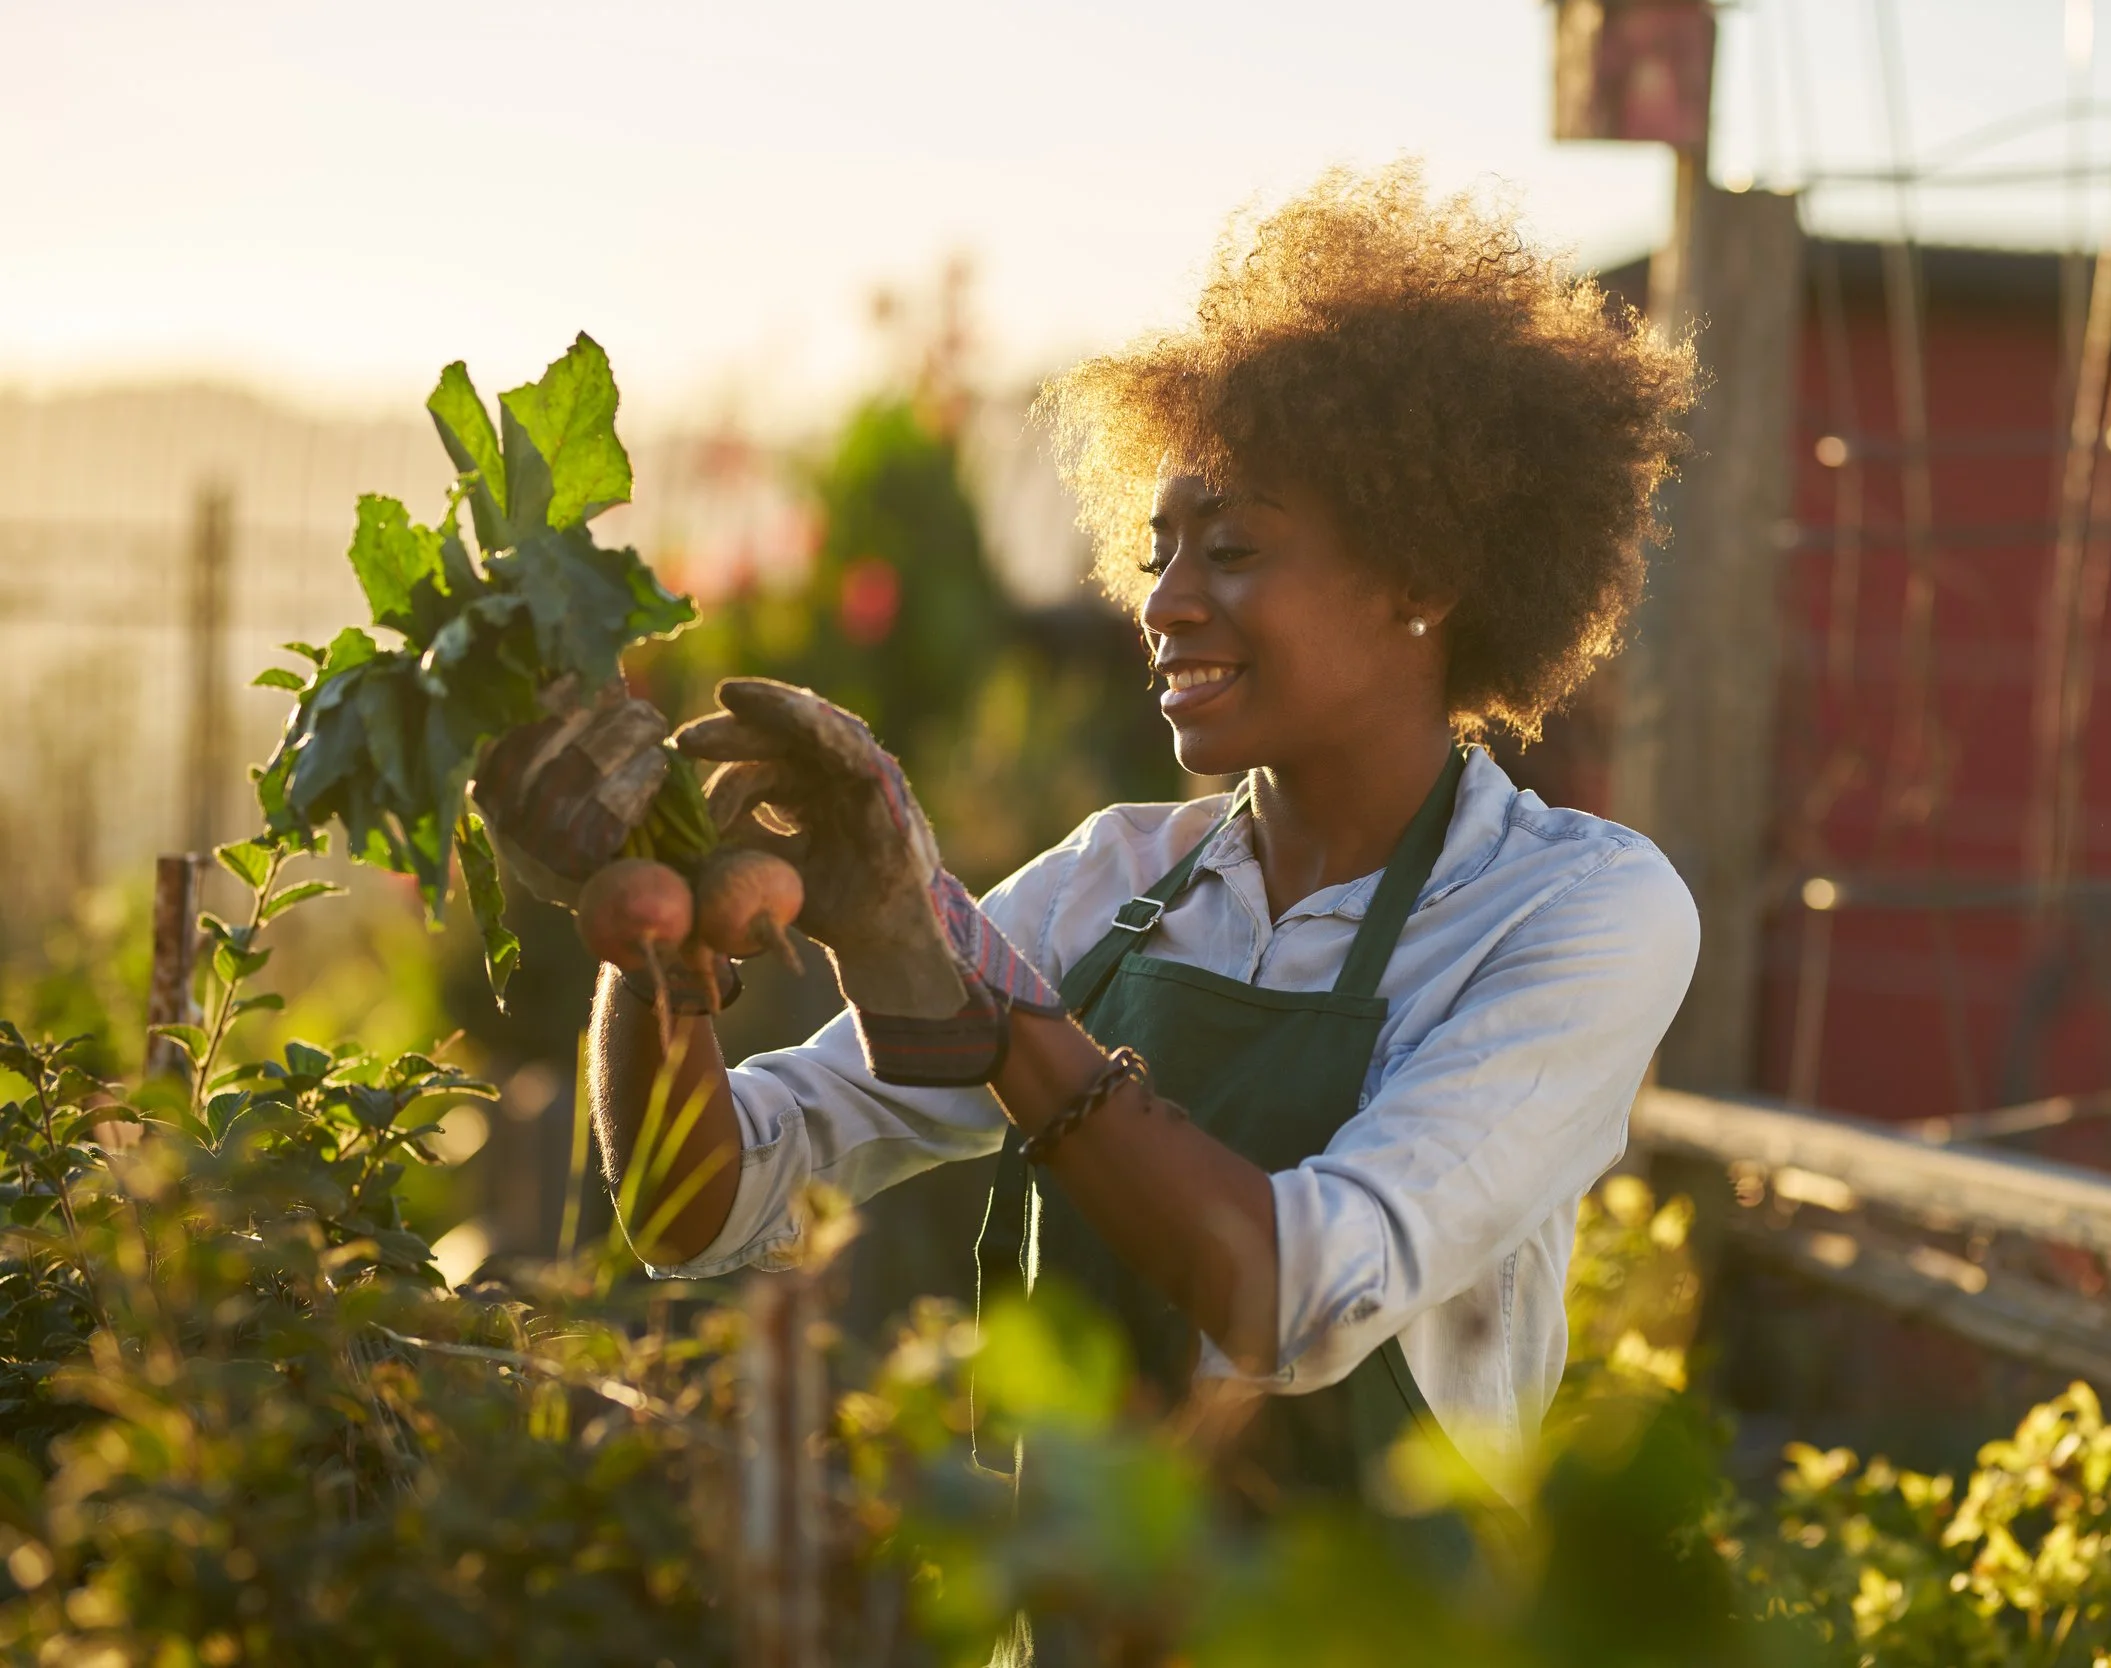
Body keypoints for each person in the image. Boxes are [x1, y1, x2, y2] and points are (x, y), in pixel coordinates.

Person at [477, 164, 1699, 1516]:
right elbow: (697, 1206)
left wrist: (990, 1009)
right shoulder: (1118, 883)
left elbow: (1300, 1292)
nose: (1164, 603)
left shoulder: (1573, 910)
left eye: (1229, 548)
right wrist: (655, 939)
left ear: (1422, 576)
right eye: (1156, 550)